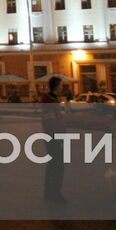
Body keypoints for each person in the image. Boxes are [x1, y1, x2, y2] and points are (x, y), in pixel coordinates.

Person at [40, 74, 68, 205]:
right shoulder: (50, 102)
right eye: (61, 85)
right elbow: (51, 121)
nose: (63, 88)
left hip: (54, 136)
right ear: (56, 86)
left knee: (53, 165)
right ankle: (55, 193)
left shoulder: (53, 100)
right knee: (58, 166)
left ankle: (49, 192)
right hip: (53, 137)